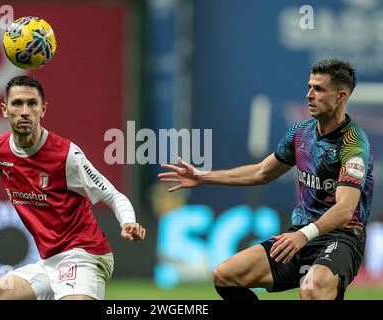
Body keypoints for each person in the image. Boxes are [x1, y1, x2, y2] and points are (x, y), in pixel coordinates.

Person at [158, 58, 373, 300]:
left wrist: (304, 235)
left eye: (319, 89)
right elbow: (262, 172)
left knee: (313, 289)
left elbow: (345, 208)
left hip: (341, 237)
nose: (309, 95)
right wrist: (203, 176)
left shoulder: (353, 143)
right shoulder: (301, 132)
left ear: (341, 96)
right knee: (225, 275)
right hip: (299, 234)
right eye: (309, 86)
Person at [0, 75, 146, 300]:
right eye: (17, 103)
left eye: (32, 104)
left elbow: (113, 195)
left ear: (43, 109)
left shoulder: (66, 155)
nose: (25, 111)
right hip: (48, 263)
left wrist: (128, 221)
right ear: (5, 110)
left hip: (84, 255)